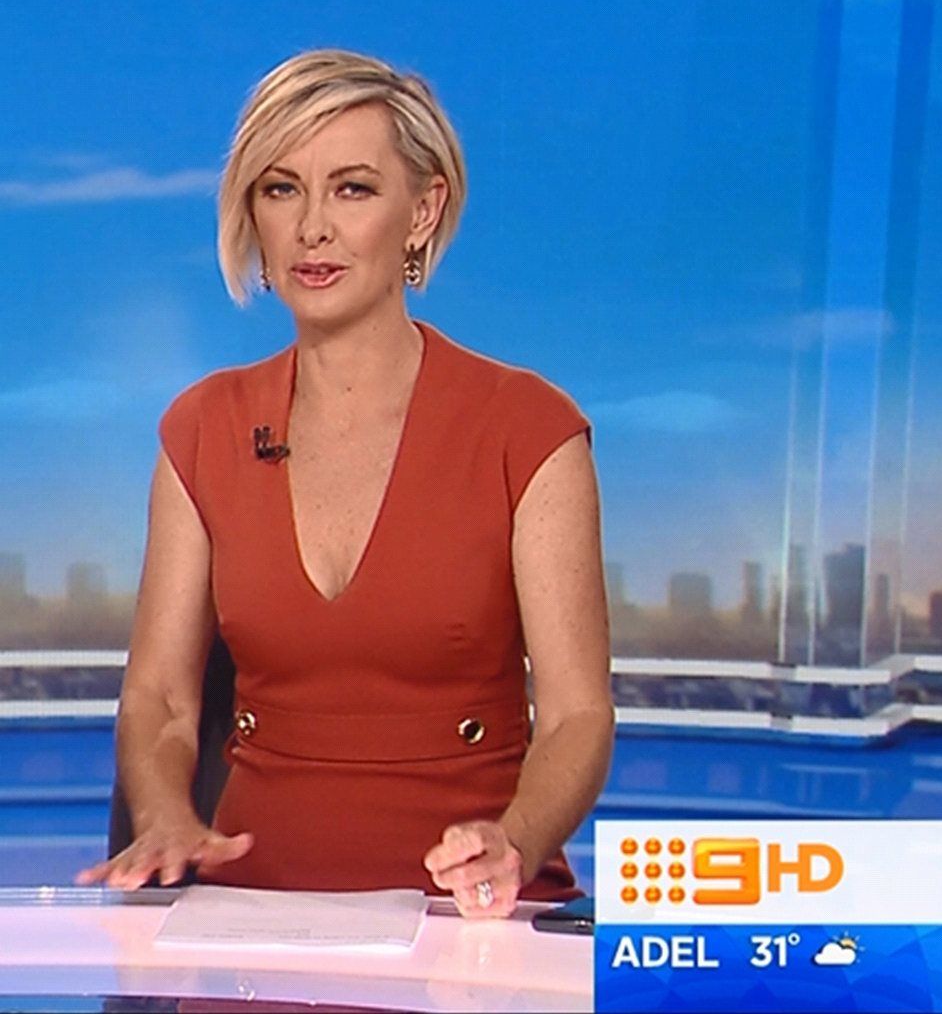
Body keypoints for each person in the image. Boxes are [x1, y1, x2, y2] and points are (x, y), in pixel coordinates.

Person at [76, 49, 614, 917]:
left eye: (353, 189)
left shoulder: (527, 428)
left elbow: (576, 717)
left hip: (472, 917)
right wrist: (167, 816)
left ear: (422, 211)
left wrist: (513, 841)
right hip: (247, 918)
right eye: (281, 189)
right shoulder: (204, 428)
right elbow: (164, 698)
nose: (311, 228)